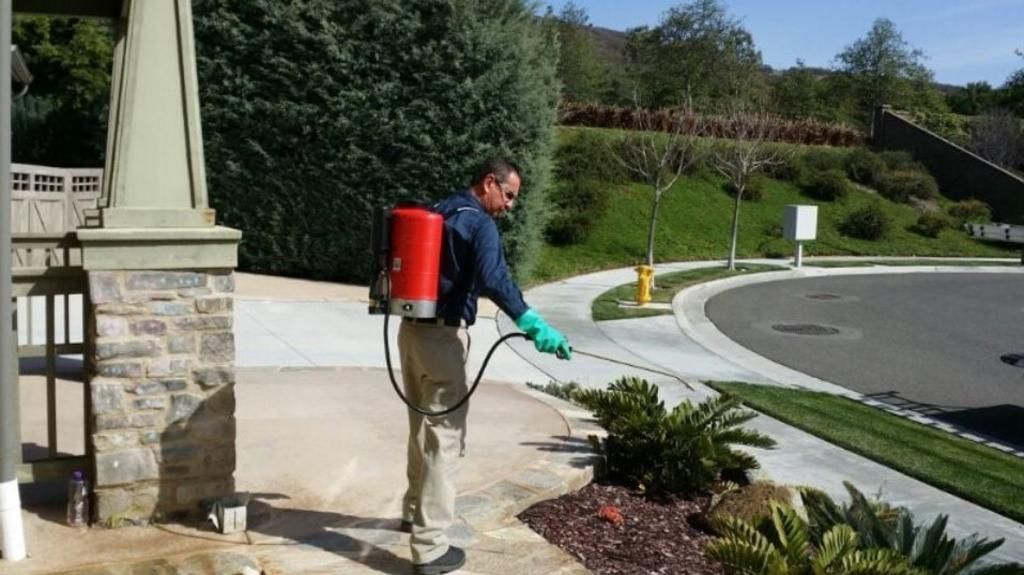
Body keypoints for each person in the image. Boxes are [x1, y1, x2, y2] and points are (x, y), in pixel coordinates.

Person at [398, 158, 571, 574]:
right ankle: (430, 547)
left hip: (409, 332)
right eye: (508, 195)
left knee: (420, 428)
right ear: (489, 182)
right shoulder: (480, 223)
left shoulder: (440, 209)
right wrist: (533, 323)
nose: (509, 205)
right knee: (446, 439)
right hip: (443, 340)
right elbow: (495, 278)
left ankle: (414, 510)